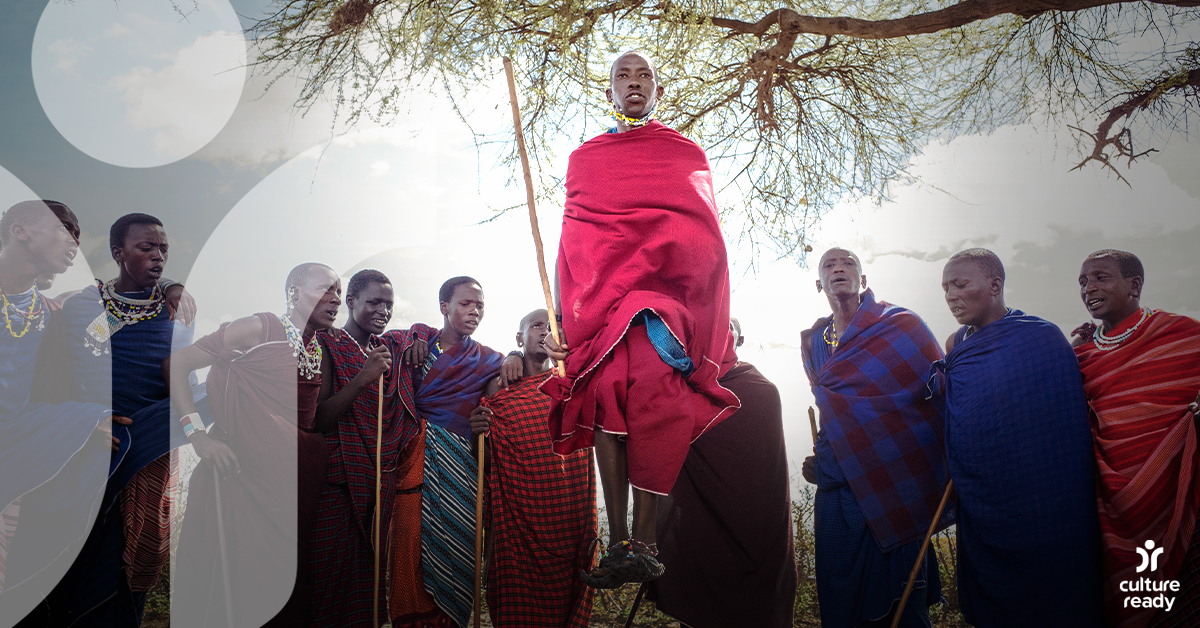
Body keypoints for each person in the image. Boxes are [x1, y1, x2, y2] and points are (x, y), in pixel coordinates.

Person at [541, 50, 740, 588]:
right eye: (622, 76)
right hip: (606, 309)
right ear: (609, 91)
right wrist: (565, 318)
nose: (634, 83)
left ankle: (645, 540)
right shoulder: (585, 158)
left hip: (665, 308)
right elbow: (574, 245)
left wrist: (703, 303)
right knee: (605, 392)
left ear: (657, 90)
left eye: (644, 75)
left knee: (656, 395)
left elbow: (705, 241)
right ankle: (618, 544)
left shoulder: (683, 154)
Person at [42, 213, 203, 626]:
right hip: (87, 451)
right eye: (145, 247)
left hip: (147, 454)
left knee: (135, 562)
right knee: (78, 564)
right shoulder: (79, 307)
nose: (157, 256)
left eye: (163, 248)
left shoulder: (175, 316)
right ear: (118, 253)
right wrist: (80, 421)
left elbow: (182, 385)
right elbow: (55, 375)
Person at [937, 248, 1102, 627]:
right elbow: (961, 413)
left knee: (1057, 593)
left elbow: (1058, 410)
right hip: (982, 497)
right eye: (946, 287)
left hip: (1046, 494)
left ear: (995, 285)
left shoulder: (1040, 337)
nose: (951, 295)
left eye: (961, 284)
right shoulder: (955, 345)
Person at [168, 262, 339, 628]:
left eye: (338, 292)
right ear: (294, 292)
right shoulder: (261, 328)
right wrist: (197, 436)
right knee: (227, 589)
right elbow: (178, 363)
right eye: (326, 289)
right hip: (236, 478)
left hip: (286, 490)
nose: (335, 299)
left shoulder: (317, 349)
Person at [796, 248, 949, 628]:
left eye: (847, 263)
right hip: (836, 481)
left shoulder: (900, 325)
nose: (838, 268)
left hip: (893, 477)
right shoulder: (815, 341)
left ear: (863, 279)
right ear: (819, 284)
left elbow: (936, 397)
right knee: (839, 589)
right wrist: (826, 456)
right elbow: (838, 410)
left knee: (903, 599)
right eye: (829, 265)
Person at [1071, 249, 1200, 628]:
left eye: (1100, 277)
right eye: (1082, 281)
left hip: (1178, 490)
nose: (1088, 288)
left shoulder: (1179, 334)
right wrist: (1074, 351)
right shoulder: (1084, 351)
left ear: (1135, 285)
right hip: (1113, 505)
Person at [0, 201, 114, 625]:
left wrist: (84, 419)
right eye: (66, 230)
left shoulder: (47, 314)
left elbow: (110, 305)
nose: (76, 245)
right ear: (20, 231)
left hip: (11, 467)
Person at [645, 317, 797, 628]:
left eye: (730, 327)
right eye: (715, 326)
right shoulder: (682, 387)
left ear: (740, 340)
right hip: (699, 524)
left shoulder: (761, 391)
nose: (721, 334)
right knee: (699, 605)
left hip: (753, 527)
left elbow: (767, 473)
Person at [467, 309, 597, 628]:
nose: (544, 331)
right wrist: (476, 430)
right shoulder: (499, 388)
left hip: (569, 514)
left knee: (573, 592)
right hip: (520, 519)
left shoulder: (570, 383)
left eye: (550, 327)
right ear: (519, 338)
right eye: (536, 326)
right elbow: (484, 455)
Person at [388, 276, 505, 628]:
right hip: (415, 466)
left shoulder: (487, 360)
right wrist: (414, 335)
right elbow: (388, 350)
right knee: (410, 550)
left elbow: (502, 388)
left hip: (462, 473)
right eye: (466, 304)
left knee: (458, 553)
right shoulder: (413, 346)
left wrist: (514, 356)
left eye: (480, 305)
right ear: (444, 307)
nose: (474, 311)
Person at [308, 269, 417, 626]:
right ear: (351, 302)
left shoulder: (389, 352)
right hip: (339, 484)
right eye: (374, 302)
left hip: (378, 485)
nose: (383, 311)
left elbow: (429, 338)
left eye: (388, 304)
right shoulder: (328, 343)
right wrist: (363, 378)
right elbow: (318, 419)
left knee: (366, 587)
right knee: (327, 583)